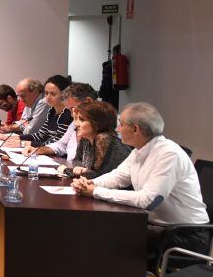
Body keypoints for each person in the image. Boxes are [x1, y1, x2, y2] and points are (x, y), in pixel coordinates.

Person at [72, 102, 210, 261]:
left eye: (121, 125)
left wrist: (95, 192)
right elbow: (118, 176)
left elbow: (148, 201)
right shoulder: (139, 150)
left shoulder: (169, 154)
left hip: (186, 235)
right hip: (158, 227)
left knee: (107, 240)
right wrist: (91, 184)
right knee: (100, 231)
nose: (117, 129)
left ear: (136, 129)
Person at [28, 82, 96, 162]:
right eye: (70, 110)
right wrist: (39, 150)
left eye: (74, 109)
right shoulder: (74, 123)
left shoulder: (104, 128)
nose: (72, 114)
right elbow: (61, 145)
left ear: (89, 101)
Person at [62, 100, 131, 180]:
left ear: (97, 122)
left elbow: (100, 175)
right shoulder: (86, 138)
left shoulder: (103, 138)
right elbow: (76, 160)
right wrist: (79, 168)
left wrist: (67, 170)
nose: (76, 124)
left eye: (82, 120)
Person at [20, 74, 72, 146]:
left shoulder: (68, 114)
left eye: (53, 94)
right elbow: (40, 135)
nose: (48, 97)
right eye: (46, 93)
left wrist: (25, 143)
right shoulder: (52, 111)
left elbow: (57, 143)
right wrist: (18, 138)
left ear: (64, 94)